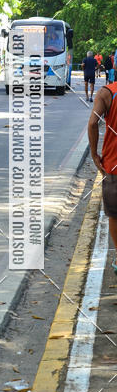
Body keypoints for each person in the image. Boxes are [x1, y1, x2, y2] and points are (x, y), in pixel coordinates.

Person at [89, 80, 117, 271]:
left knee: (115, 215)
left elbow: (92, 123)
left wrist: (94, 154)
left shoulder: (107, 93)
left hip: (113, 165)